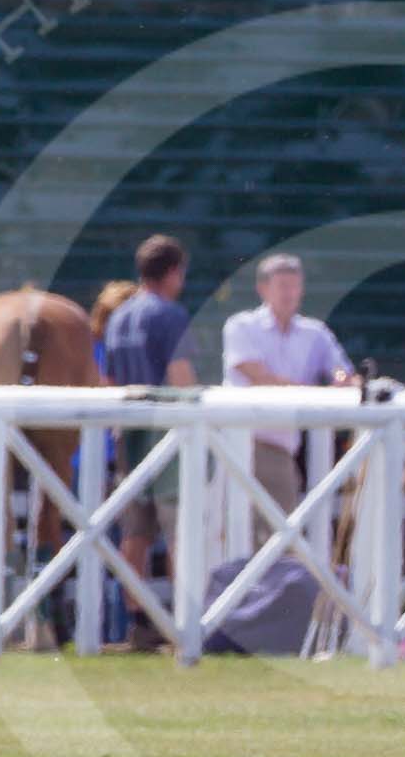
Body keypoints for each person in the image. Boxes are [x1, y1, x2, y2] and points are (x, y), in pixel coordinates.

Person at [221, 253, 358, 522]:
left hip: (283, 449)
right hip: (243, 444)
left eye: (295, 286)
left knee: (272, 534)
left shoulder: (315, 332)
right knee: (256, 533)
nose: (290, 293)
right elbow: (257, 375)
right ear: (263, 289)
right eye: (283, 285)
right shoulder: (241, 326)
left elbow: (343, 371)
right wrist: (320, 393)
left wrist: (343, 381)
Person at [103, 236, 196, 586]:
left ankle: (139, 619)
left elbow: (108, 380)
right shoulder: (170, 315)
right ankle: (180, 621)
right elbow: (180, 376)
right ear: (174, 272)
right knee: (178, 531)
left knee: (135, 532)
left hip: (129, 432)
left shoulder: (118, 318)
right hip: (168, 435)